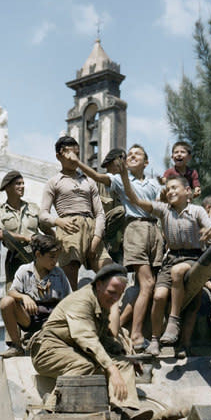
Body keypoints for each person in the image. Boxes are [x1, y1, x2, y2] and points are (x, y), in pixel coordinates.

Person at [30, 264, 153, 420]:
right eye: (112, 292)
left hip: (74, 349)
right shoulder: (82, 301)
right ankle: (49, 410)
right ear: (99, 284)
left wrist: (123, 353)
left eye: (119, 294)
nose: (115, 299)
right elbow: (86, 337)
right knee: (84, 365)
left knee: (123, 363)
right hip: (48, 350)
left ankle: (123, 410)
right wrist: (111, 369)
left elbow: (102, 337)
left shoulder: (102, 303)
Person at [73, 144, 164, 351]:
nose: (131, 156)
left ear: (146, 162)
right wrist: (78, 162)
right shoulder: (118, 179)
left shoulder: (153, 183)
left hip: (154, 229)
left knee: (146, 286)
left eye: (136, 154)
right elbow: (97, 176)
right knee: (147, 283)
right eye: (129, 154)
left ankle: (121, 326)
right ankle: (137, 335)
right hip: (136, 228)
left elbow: (161, 202)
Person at [119, 167, 211, 355]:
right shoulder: (164, 210)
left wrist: (209, 232)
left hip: (193, 257)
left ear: (187, 192)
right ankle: (155, 339)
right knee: (158, 296)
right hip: (171, 258)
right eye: (168, 189)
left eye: (175, 188)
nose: (171, 191)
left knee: (178, 272)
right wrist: (125, 177)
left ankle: (173, 322)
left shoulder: (196, 211)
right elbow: (136, 200)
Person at [39, 136, 111, 290]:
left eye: (76, 153)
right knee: (70, 284)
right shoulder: (54, 182)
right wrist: (58, 222)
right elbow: (43, 214)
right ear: (59, 156)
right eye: (68, 153)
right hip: (69, 229)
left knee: (111, 275)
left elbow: (99, 213)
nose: (73, 158)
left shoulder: (88, 181)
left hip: (91, 227)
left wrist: (96, 238)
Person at [0, 234, 71, 358]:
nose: (55, 261)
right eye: (51, 257)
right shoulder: (24, 270)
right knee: (6, 302)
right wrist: (24, 297)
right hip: (30, 317)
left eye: (57, 257)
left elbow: (70, 299)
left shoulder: (59, 274)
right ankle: (16, 346)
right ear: (38, 255)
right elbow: (11, 292)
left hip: (53, 318)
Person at [0, 170, 42, 287]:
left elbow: (47, 229)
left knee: (40, 292)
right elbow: (0, 233)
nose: (22, 186)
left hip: (36, 255)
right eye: (18, 184)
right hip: (15, 257)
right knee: (13, 295)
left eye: (23, 183)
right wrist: (25, 238)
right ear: (7, 187)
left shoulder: (33, 208)